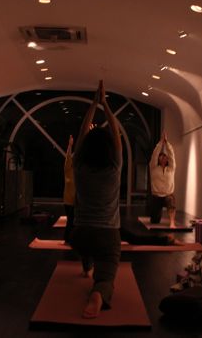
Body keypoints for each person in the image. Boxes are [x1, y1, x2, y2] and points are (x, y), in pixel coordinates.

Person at [71, 80, 122, 319]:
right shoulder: (114, 168)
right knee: (106, 277)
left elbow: (82, 133)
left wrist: (93, 104)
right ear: (109, 149)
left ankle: (86, 266)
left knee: (87, 246)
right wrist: (105, 105)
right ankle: (98, 293)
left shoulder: (79, 166)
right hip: (107, 235)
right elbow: (116, 134)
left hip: (80, 235)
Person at [149, 131, 177, 228]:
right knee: (154, 221)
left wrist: (167, 144)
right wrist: (161, 143)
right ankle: (156, 216)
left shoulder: (171, 168)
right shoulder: (153, 167)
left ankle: (172, 222)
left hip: (167, 195)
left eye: (165, 156)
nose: (163, 157)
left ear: (167, 159)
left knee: (171, 200)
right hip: (156, 196)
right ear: (159, 158)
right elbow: (154, 155)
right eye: (161, 156)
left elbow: (172, 155)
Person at [62, 134, 76, 244]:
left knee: (73, 221)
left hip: (76, 201)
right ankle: (67, 238)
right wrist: (70, 145)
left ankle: (70, 238)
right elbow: (68, 158)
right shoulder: (68, 170)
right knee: (71, 220)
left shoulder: (78, 172)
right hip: (68, 201)